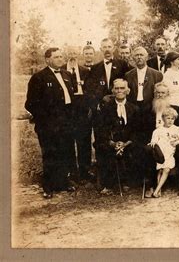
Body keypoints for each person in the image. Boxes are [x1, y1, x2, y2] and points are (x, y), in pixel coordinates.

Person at [25, 48, 77, 198]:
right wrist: (47, 119)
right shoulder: (39, 77)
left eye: (61, 56)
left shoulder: (67, 75)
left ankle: (63, 183)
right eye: (56, 57)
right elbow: (31, 103)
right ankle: (48, 187)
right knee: (50, 155)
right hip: (48, 125)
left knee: (65, 153)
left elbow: (70, 99)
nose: (60, 59)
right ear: (48, 59)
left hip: (66, 123)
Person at [94, 79, 140, 195]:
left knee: (137, 148)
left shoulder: (134, 109)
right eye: (117, 88)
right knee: (105, 150)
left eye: (122, 88)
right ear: (113, 91)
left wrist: (126, 143)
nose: (119, 91)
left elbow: (136, 130)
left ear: (128, 91)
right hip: (109, 141)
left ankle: (127, 182)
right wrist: (113, 143)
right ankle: (108, 184)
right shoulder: (105, 108)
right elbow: (101, 129)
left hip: (128, 142)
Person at [63, 51, 94, 181]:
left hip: (82, 109)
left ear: (78, 56)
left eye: (75, 54)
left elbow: (90, 91)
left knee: (84, 141)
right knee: (68, 141)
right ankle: (71, 172)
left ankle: (85, 170)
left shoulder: (85, 71)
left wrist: (89, 107)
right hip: (67, 110)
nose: (72, 57)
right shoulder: (61, 71)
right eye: (70, 54)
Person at [124, 46, 163, 144]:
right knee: (135, 136)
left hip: (150, 109)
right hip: (134, 109)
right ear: (133, 58)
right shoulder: (128, 75)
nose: (139, 57)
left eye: (141, 55)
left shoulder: (156, 74)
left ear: (146, 57)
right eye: (136, 55)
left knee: (150, 137)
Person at [148, 107, 179, 197]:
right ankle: (158, 190)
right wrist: (153, 142)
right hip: (160, 153)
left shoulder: (177, 129)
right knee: (160, 170)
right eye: (168, 118)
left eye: (172, 119)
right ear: (163, 118)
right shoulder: (158, 130)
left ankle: (156, 191)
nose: (170, 121)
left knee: (166, 169)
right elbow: (153, 141)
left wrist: (176, 142)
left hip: (170, 152)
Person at [84, 38, 129, 110]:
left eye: (109, 47)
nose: (107, 49)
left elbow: (127, 84)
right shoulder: (95, 68)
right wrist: (96, 104)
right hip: (101, 106)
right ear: (101, 49)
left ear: (114, 49)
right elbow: (91, 88)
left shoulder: (122, 65)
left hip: (119, 103)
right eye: (104, 47)